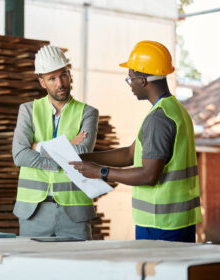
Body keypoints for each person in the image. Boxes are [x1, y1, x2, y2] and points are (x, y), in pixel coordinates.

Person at [70, 40, 201, 242]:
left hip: (160, 224)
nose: (130, 84)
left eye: (130, 78)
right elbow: (131, 153)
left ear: (143, 80)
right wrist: (84, 157)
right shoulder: (174, 109)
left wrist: (100, 172)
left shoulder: (158, 118)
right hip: (175, 221)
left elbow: (149, 175)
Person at [12, 45, 99, 239]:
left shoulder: (88, 113)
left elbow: (82, 151)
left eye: (64, 75)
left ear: (70, 75)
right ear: (42, 82)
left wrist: (37, 147)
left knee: (78, 269)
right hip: (32, 212)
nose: (60, 83)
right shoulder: (28, 110)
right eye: (52, 78)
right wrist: (67, 147)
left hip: (74, 213)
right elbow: (19, 155)